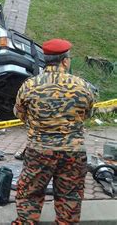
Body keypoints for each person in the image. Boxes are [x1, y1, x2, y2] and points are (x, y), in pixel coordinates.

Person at [12, 38, 96, 225]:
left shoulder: (29, 85)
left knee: (29, 196)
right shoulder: (82, 86)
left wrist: (37, 123)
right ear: (65, 61)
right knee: (70, 199)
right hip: (73, 152)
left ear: (45, 59)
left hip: (39, 151)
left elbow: (20, 114)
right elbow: (88, 114)